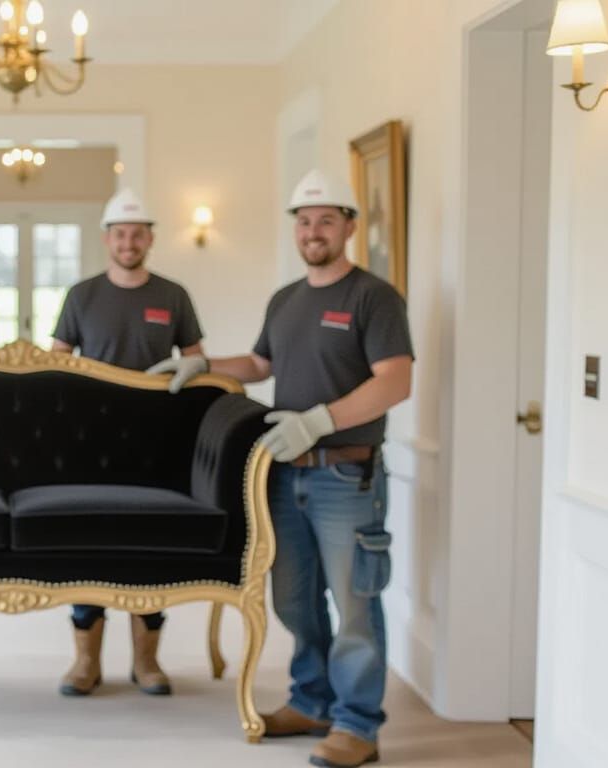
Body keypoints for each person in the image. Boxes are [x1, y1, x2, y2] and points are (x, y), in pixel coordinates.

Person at [149, 169, 413, 768]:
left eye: (324, 220)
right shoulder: (287, 299)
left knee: (355, 603)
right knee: (295, 601)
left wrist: (320, 420)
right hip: (285, 474)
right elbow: (262, 362)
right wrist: (205, 365)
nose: (312, 230)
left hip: (347, 477)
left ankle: (357, 725)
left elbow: (396, 379)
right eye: (303, 221)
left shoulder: (373, 297)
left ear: (348, 225)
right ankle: (312, 701)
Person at [49, 187, 205, 697]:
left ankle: (147, 662)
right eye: (121, 233)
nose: (129, 241)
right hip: (89, 443)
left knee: (148, 546)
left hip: (159, 440)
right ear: (108, 239)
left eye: (138, 233)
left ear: (150, 239)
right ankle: (85, 663)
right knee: (88, 543)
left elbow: (196, 358)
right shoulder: (82, 295)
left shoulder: (173, 295)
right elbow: (57, 360)